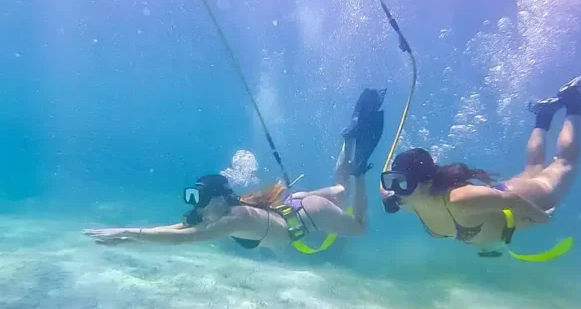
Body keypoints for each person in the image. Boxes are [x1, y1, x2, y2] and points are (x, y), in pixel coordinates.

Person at [380, 47, 581, 256]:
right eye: (392, 180)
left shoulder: (459, 198)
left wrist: (542, 218)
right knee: (533, 169)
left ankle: (573, 101)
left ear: (426, 182)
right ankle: (543, 116)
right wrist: (388, 191)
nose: (396, 189)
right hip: (496, 200)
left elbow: (511, 201)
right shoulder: (408, 199)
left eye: (402, 182)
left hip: (527, 197)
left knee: (565, 163)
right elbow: (388, 191)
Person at [84, 88, 386, 250]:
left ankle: (359, 169)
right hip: (298, 206)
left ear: (219, 198)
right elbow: (179, 229)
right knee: (342, 189)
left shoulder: (234, 218)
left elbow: (182, 238)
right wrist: (129, 238)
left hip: (309, 213)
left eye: (202, 199)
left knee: (359, 226)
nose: (198, 206)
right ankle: (349, 140)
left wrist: (129, 231)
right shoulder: (222, 212)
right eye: (194, 198)